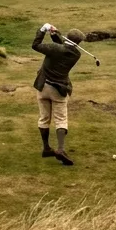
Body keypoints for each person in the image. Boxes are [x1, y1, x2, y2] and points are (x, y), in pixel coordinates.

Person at [32, 23, 84, 165]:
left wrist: (42, 30)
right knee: (61, 119)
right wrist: (55, 34)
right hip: (59, 89)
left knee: (44, 118)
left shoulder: (54, 49)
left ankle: (46, 148)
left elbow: (36, 45)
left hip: (43, 87)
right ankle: (60, 149)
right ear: (78, 42)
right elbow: (64, 47)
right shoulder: (76, 54)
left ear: (67, 37)